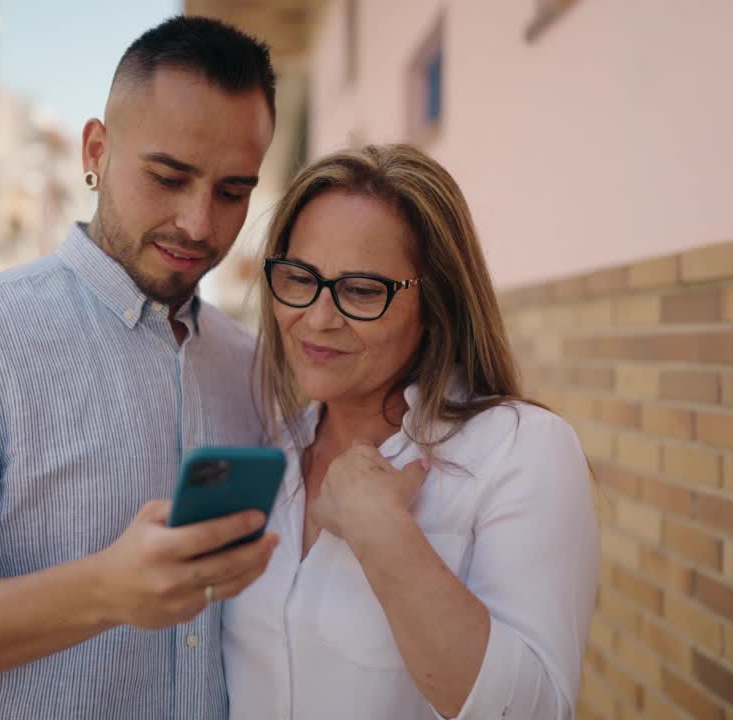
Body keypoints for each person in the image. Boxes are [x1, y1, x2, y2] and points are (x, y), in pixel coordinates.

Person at [0, 16, 279, 719]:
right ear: (95, 149)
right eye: (168, 177)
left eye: (232, 191)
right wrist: (104, 590)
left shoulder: (250, 367)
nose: (198, 223)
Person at [223, 144, 599, 720]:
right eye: (299, 277)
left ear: (437, 302)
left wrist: (385, 534)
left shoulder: (521, 449)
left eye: (363, 290)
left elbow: (536, 712)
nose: (318, 318)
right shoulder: (267, 449)